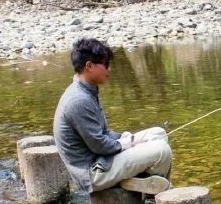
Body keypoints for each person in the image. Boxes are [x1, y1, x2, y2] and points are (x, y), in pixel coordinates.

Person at [53, 37, 172, 195]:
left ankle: (140, 181)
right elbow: (99, 145)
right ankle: (151, 200)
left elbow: (102, 133)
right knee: (162, 150)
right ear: (89, 66)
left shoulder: (86, 90)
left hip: (103, 159)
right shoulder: (78, 100)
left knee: (158, 133)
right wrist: (129, 143)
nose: (110, 70)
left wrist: (126, 138)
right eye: (106, 65)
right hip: (93, 173)